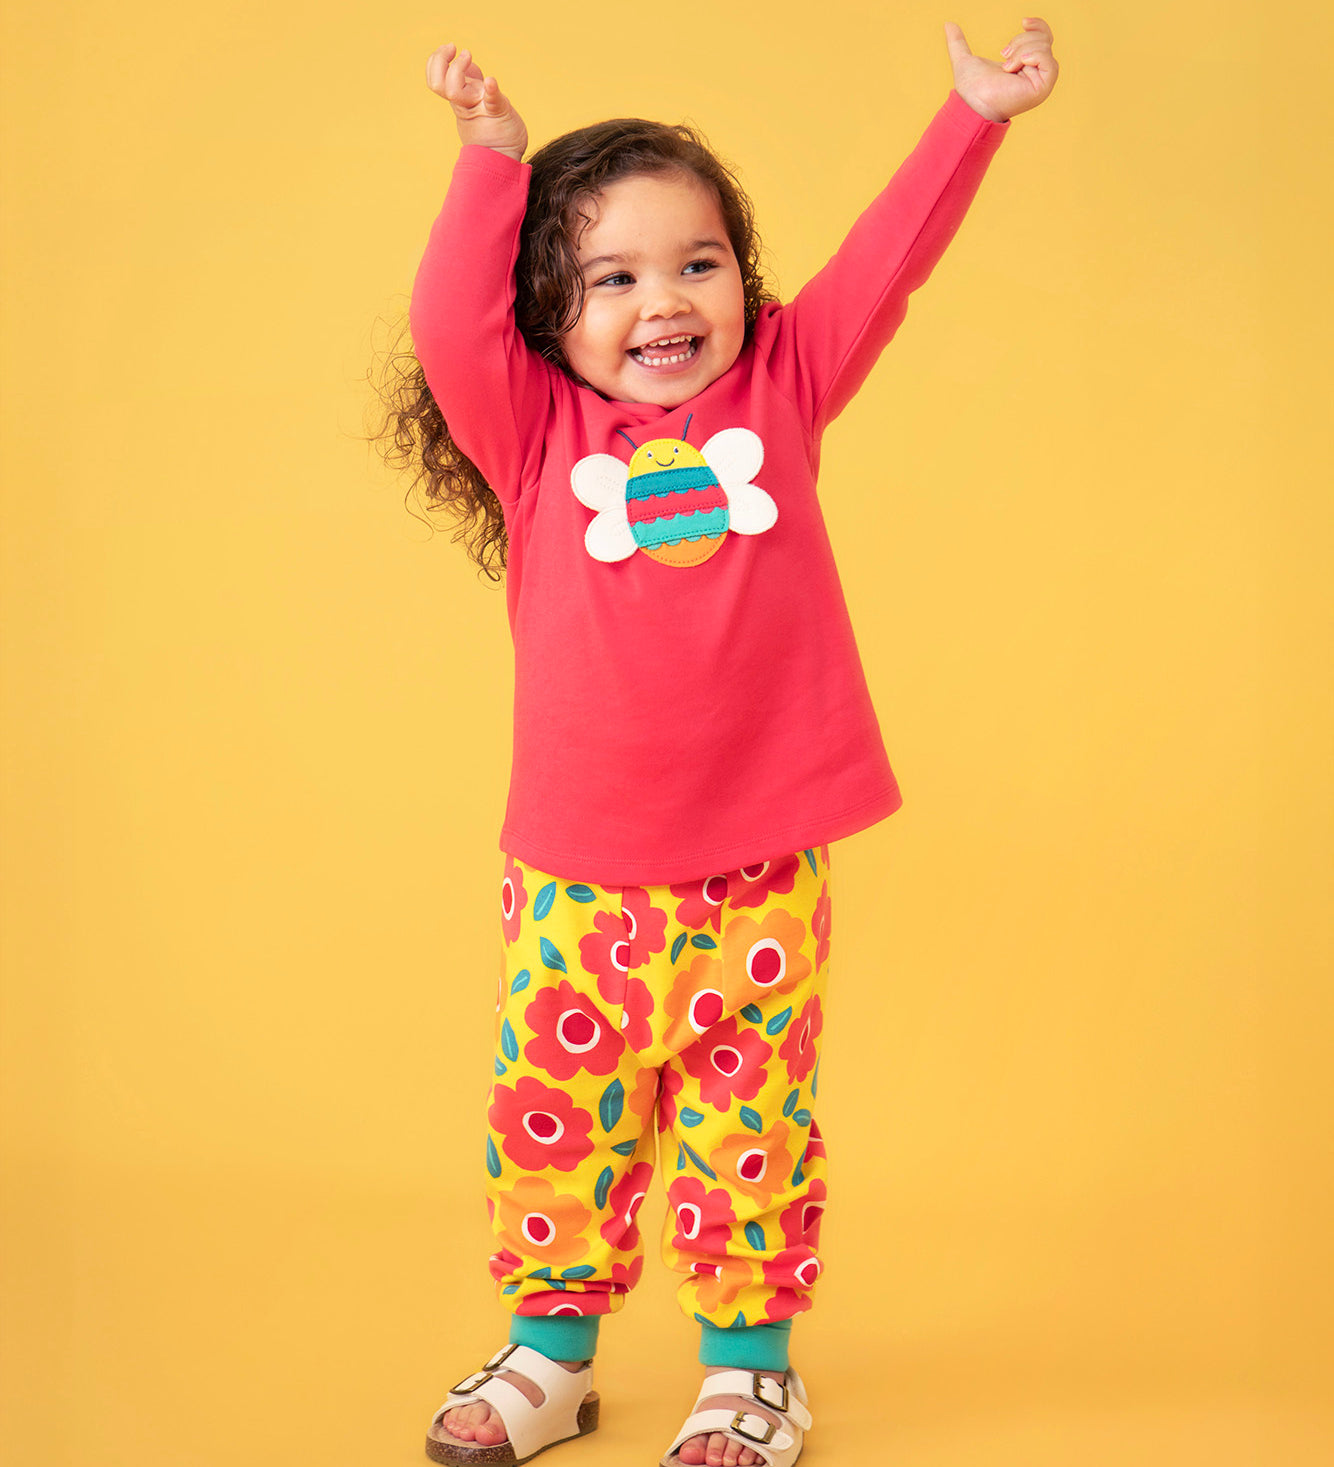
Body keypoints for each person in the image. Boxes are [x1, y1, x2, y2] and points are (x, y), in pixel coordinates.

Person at [381, 18, 1058, 1467]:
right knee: (558, 1125)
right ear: (546, 313)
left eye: (697, 264)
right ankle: (551, 1358)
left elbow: (885, 263)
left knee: (750, 1128)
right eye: (610, 278)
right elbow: (449, 323)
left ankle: (749, 1372)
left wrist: (971, 119)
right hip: (574, 880)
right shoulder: (533, 437)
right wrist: (490, 165)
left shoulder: (783, 393)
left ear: (741, 283)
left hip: (756, 874)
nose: (664, 302)